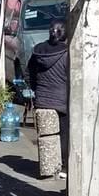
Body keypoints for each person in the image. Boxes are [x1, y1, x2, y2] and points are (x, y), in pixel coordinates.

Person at [28, 20, 69, 177]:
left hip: (42, 100)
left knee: (45, 136)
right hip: (62, 100)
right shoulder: (67, 53)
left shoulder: (38, 50)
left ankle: (47, 167)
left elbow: (28, 72)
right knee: (64, 134)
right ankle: (64, 167)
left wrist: (36, 89)